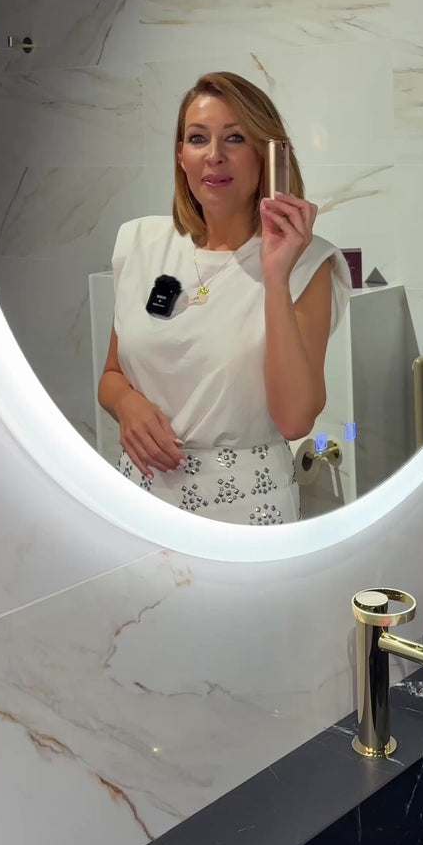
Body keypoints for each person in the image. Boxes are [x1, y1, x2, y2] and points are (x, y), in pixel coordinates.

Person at [98, 71, 350, 524]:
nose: (214, 155)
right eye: (198, 139)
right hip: (142, 499)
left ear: (265, 154)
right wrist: (127, 405)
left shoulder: (308, 264)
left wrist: (275, 275)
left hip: (249, 509)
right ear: (180, 155)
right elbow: (113, 375)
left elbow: (295, 420)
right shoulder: (140, 244)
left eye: (234, 138)